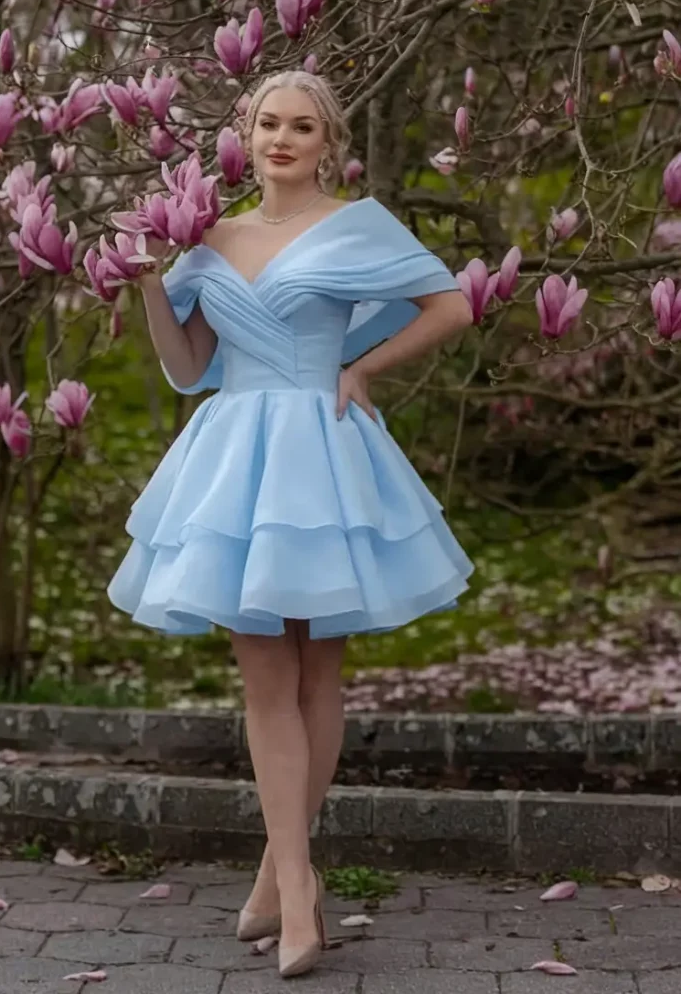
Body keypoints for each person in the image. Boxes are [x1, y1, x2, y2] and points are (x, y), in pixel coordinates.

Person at [108, 70, 475, 978]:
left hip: (323, 448)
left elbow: (452, 305)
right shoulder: (206, 235)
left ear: (327, 140)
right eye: (267, 122)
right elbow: (190, 367)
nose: (281, 139)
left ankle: (282, 880)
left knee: (319, 669)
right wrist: (150, 277)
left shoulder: (358, 225)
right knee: (266, 676)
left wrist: (364, 369)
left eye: (301, 126)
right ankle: (299, 894)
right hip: (233, 462)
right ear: (245, 130)